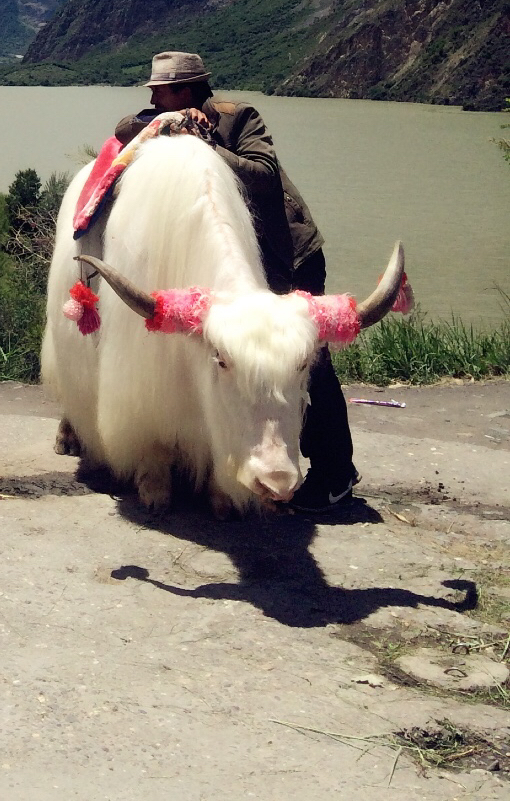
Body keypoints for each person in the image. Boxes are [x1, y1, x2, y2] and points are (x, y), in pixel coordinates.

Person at [113, 50, 358, 513]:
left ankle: (333, 471)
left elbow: (263, 176)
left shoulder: (239, 117)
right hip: (234, 268)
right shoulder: (164, 121)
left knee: (304, 363)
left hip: (285, 260)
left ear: (186, 91)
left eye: (160, 91)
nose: (153, 97)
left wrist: (205, 142)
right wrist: (165, 124)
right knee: (233, 365)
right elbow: (126, 129)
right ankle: (229, 459)